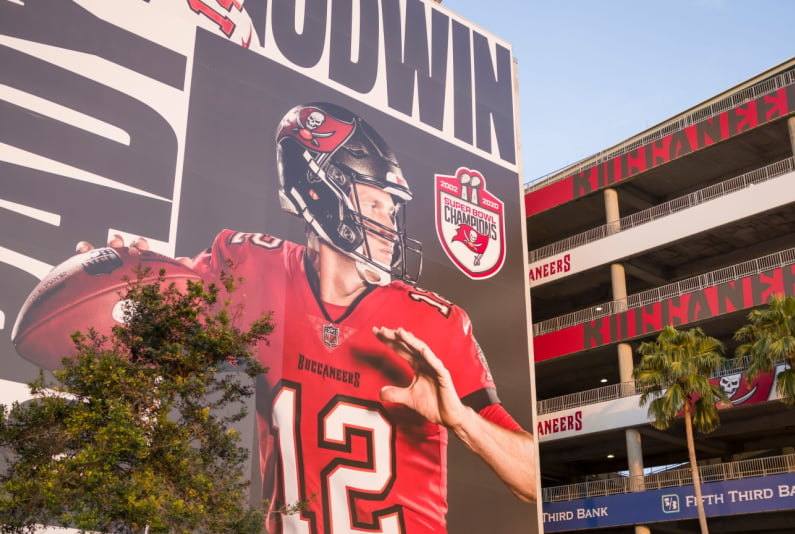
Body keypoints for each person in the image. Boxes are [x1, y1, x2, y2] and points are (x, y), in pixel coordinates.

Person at [80, 103, 537, 533]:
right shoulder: (251, 268)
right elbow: (159, 303)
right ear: (319, 193)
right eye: (376, 204)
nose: (391, 227)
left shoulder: (435, 322)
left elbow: (533, 481)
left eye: (393, 210)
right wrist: (123, 273)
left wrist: (461, 420)